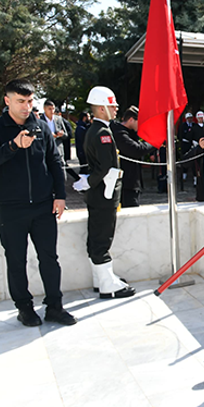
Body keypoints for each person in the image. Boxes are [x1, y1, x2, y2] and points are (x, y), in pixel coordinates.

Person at [0, 79, 76, 326]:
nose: (26, 106)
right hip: (10, 208)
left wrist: (60, 195)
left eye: (30, 101)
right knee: (16, 260)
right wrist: (12, 145)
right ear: (7, 101)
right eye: (20, 101)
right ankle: (24, 308)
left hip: (43, 206)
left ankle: (55, 306)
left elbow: (55, 162)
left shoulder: (42, 127)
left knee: (49, 258)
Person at [75, 86, 136, 299]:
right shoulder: (102, 132)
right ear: (101, 109)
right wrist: (90, 182)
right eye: (112, 105)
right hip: (105, 192)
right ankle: (107, 284)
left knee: (97, 235)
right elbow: (105, 167)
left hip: (99, 193)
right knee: (102, 237)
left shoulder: (96, 129)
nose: (116, 107)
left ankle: (101, 278)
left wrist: (88, 182)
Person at [111, 106, 156, 207]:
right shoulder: (119, 133)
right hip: (125, 184)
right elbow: (137, 150)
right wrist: (155, 142)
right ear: (131, 120)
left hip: (131, 181)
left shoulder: (130, 132)